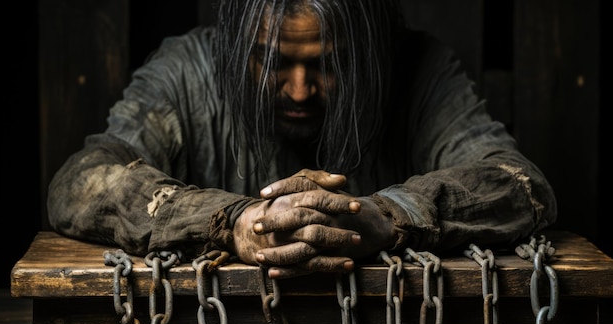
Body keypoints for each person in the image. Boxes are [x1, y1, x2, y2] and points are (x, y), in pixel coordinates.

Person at [47, 0, 557, 279]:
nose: (298, 90)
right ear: (233, 49)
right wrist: (235, 222)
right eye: (269, 61)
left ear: (369, 51)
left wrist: (382, 217)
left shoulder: (420, 71)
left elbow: (519, 184)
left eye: (327, 65)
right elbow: (82, 180)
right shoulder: (184, 71)